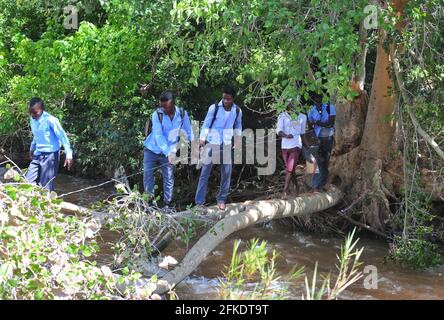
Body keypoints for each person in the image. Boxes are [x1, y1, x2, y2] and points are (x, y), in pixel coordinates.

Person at [195, 87, 242, 210]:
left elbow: (238, 126)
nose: (225, 101)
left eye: (228, 99)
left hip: (226, 144)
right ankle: (199, 202)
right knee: (205, 173)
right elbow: (206, 124)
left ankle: (221, 200)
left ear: (233, 99)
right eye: (224, 98)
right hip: (212, 142)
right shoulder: (214, 108)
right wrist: (201, 138)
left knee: (227, 173)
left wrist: (237, 140)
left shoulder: (237, 111)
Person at [143, 91, 192, 208]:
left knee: (169, 177)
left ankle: (167, 205)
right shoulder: (157, 115)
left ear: (173, 103)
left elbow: (188, 134)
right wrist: (168, 152)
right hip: (152, 150)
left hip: (170, 150)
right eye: (162, 106)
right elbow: (158, 135)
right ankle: (149, 205)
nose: (164, 109)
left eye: (166, 106)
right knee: (147, 175)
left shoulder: (182, 114)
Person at [25, 97, 74, 191]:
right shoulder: (32, 118)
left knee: (45, 187)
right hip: (38, 154)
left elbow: (62, 137)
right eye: (30, 112)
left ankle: (47, 203)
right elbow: (36, 134)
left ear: (42, 110)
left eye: (35, 113)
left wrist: (69, 154)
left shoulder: (51, 120)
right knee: (27, 182)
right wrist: (32, 147)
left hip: (50, 156)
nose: (33, 115)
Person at [276, 98, 308, 199]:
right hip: (285, 146)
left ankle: (284, 191)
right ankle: (296, 186)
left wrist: (307, 145)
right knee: (291, 170)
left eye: (295, 103)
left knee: (289, 168)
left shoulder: (303, 117)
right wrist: (285, 135)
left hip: (296, 145)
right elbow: (279, 131)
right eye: (291, 103)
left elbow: (302, 133)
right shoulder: (282, 116)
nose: (293, 105)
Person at [307, 93, 336, 192]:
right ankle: (315, 185)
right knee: (317, 161)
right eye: (315, 98)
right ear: (313, 99)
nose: (317, 99)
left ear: (322, 98)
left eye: (319, 97)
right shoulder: (311, 110)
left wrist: (317, 122)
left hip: (328, 137)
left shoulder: (329, 107)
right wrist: (318, 125)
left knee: (326, 160)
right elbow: (310, 125)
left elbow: (331, 122)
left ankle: (322, 183)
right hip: (317, 138)